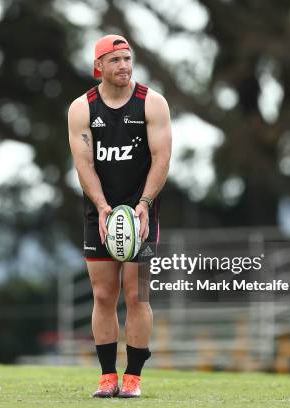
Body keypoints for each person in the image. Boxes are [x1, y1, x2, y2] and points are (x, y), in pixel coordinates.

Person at [68, 34, 172, 398]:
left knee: (137, 295)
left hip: (140, 210)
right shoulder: (82, 108)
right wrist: (100, 206)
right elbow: (83, 164)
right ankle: (107, 376)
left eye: (127, 58)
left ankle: (134, 377)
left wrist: (143, 203)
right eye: (115, 60)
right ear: (98, 66)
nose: (124, 66)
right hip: (99, 210)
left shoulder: (152, 103)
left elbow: (161, 159)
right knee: (103, 294)